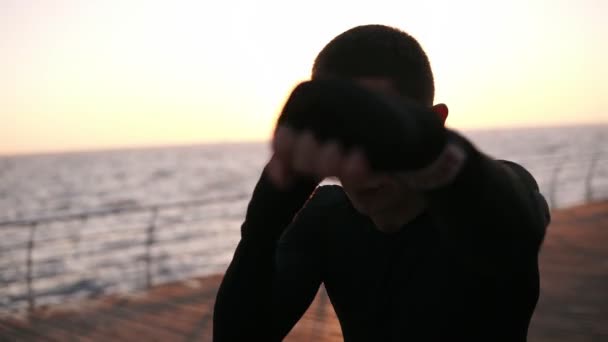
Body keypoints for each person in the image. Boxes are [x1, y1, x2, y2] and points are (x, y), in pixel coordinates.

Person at [213, 24, 550, 341]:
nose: (363, 167)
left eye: (379, 137)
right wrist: (262, 228)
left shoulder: (483, 209)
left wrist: (431, 151)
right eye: (344, 136)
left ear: (434, 124)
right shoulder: (325, 218)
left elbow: (515, 218)